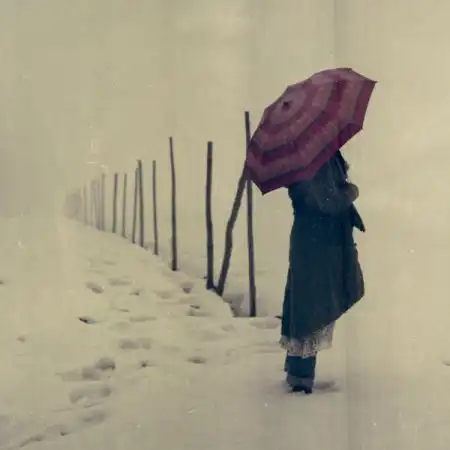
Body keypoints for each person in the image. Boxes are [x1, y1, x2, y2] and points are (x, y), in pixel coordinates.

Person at [280, 150, 365, 394]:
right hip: (317, 241)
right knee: (311, 304)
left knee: (307, 301)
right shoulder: (314, 157)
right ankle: (301, 375)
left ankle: (298, 370)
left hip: (316, 238)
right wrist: (351, 191)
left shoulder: (312, 155)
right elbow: (327, 201)